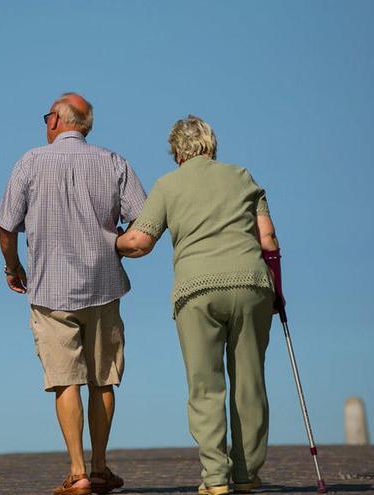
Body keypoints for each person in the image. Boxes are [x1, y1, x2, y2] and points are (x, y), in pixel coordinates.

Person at [115, 116, 284, 495]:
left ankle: (214, 479)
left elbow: (140, 241)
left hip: (197, 291)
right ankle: (245, 473)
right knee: (250, 382)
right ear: (211, 145)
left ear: (177, 152)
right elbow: (269, 240)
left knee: (205, 386)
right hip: (251, 284)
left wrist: (112, 244)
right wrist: (277, 290)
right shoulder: (242, 176)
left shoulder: (167, 185)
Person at [0, 93, 146, 495]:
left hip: (49, 290)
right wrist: (115, 245)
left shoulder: (30, 162)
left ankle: (77, 472)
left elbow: (7, 227)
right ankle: (99, 468)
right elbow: (143, 223)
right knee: (102, 381)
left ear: (58, 121)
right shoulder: (114, 162)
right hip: (104, 286)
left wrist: (13, 268)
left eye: (46, 116)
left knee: (66, 381)